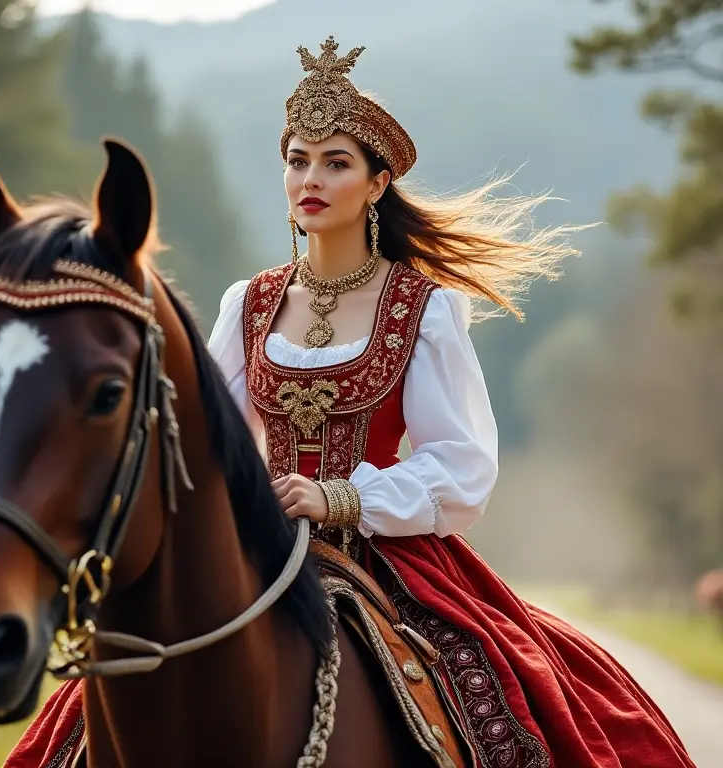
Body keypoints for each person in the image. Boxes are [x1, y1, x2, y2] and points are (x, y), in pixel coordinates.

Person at [203, 36, 696, 768]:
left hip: (385, 555)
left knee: (496, 707)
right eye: (297, 159)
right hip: (260, 550)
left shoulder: (423, 310)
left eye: (335, 162)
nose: (310, 178)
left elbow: (463, 468)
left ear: (376, 185)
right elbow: (206, 444)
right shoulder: (248, 304)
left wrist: (337, 496)